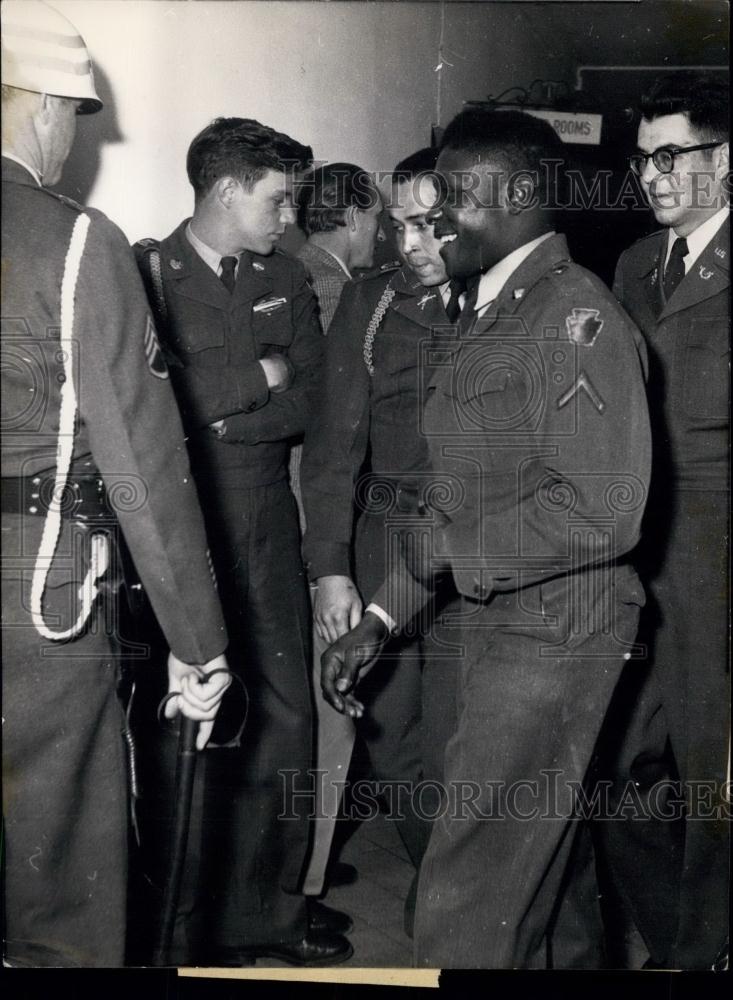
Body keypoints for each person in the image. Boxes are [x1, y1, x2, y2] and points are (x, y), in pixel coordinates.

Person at [320, 109, 653, 968]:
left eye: (450, 203)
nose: (429, 226)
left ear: (514, 197)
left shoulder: (574, 319)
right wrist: (382, 621)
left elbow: (602, 510)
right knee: (533, 891)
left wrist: (446, 555)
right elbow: (453, 497)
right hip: (506, 626)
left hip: (556, 633)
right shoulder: (494, 311)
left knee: (466, 897)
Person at [1, 0, 230, 968]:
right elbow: (143, 463)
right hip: (35, 585)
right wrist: (199, 645)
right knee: (61, 883)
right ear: (48, 107)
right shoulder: (76, 241)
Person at [133, 117, 352, 967]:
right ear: (226, 191)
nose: (288, 216)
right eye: (276, 198)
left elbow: (315, 400)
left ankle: (268, 914)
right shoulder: (147, 272)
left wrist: (217, 413)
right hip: (177, 520)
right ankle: (181, 919)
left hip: (263, 513)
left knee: (284, 711)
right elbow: (151, 405)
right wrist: (250, 383)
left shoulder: (285, 276)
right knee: (183, 717)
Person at [300, 148, 462, 928]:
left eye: (431, 224)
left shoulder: (502, 301)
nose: (412, 245)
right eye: (399, 225)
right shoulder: (366, 304)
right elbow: (331, 448)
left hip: (473, 544)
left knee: (466, 732)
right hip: (385, 536)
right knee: (392, 733)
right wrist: (331, 568)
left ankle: (467, 903)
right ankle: (441, 884)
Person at [597, 73, 729, 970]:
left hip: (720, 557)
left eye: (671, 155)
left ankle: (702, 947)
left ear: (725, 162)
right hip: (637, 552)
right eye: (643, 159)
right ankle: (671, 928)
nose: (651, 175)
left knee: (715, 770)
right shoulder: (635, 264)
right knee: (619, 766)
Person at [291, 161, 384, 902]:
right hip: (322, 533)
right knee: (332, 714)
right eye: (379, 220)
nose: (379, 235)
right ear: (354, 218)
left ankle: (295, 867)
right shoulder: (342, 295)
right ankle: (307, 882)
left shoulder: (279, 270)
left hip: (272, 527)